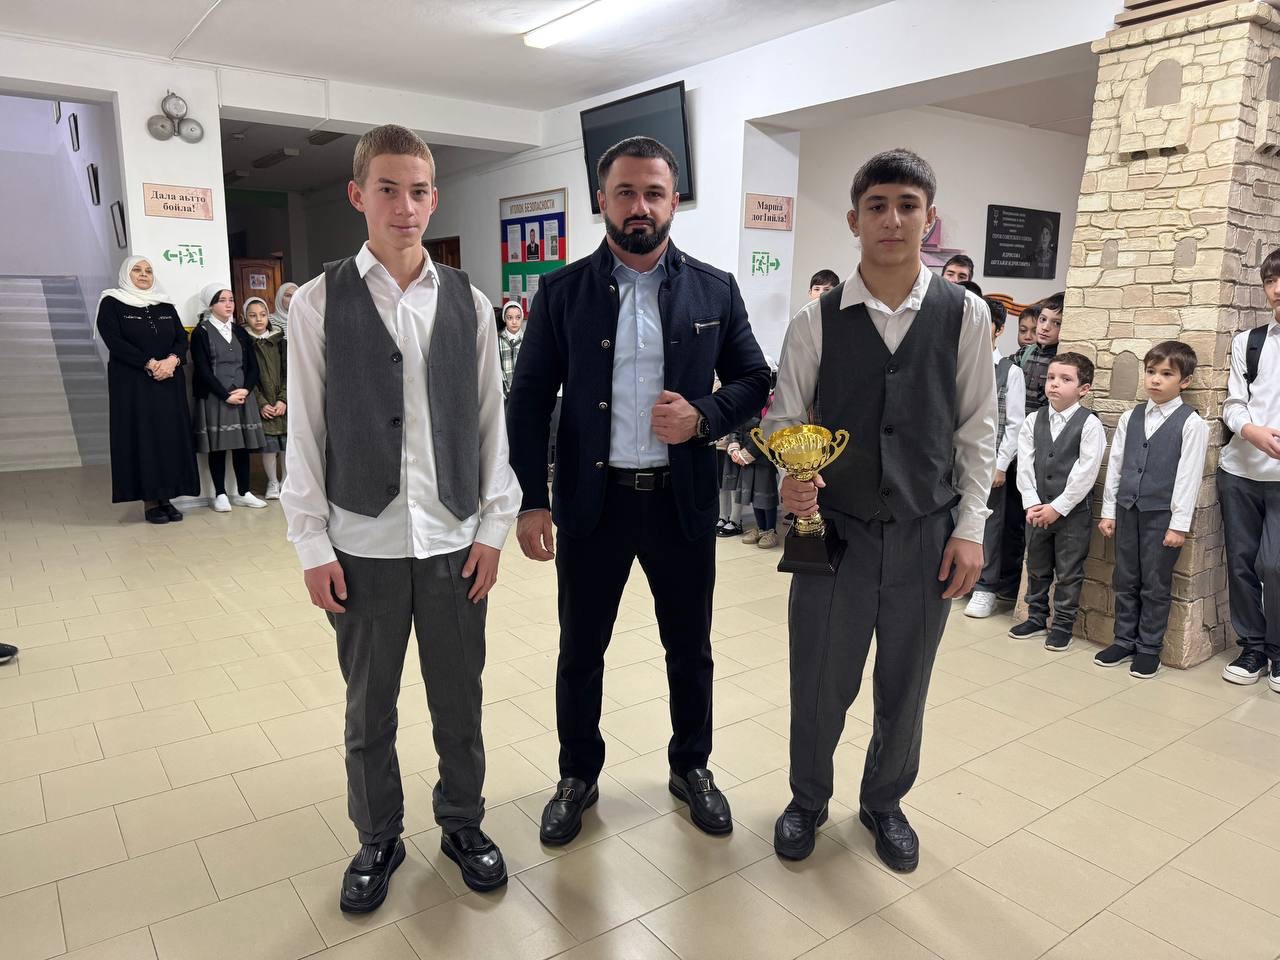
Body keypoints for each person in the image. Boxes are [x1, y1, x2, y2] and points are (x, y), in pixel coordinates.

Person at [507, 135, 770, 845]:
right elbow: (527, 400)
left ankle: (692, 767)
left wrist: (703, 416)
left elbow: (755, 379)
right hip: (592, 506)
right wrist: (532, 499)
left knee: (690, 648)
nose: (640, 206)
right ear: (602, 200)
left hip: (681, 502)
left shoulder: (714, 289)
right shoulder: (561, 293)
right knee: (579, 650)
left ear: (673, 201)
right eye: (625, 192)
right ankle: (577, 774)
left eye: (654, 193)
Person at [282, 124, 520, 909]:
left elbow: (489, 426)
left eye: (418, 191)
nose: (405, 206)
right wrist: (311, 544)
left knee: (460, 701)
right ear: (358, 195)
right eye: (388, 189)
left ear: (434, 198)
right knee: (368, 710)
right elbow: (305, 432)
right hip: (362, 542)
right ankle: (378, 835)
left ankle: (463, 822)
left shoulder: (470, 302)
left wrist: (492, 531)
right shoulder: (317, 302)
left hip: (454, 541)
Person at [764, 149, 995, 869]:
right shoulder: (815, 320)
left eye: (907, 205)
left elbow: (977, 430)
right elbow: (785, 420)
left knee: (906, 681)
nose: (892, 220)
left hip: (927, 532)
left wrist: (970, 528)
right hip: (835, 533)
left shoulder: (966, 315)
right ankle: (807, 799)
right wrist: (791, 477)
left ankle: (884, 802)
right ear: (854, 219)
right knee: (819, 680)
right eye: (877, 206)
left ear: (929, 218)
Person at [1096, 341, 1208, 678]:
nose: (1156, 379)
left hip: (1162, 516)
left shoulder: (1191, 423)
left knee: (1155, 583)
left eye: (1166, 374)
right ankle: (1123, 640)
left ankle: (1148, 649)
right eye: (1151, 371)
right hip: (1127, 509)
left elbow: (1189, 477)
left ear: (1184, 381)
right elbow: (1116, 466)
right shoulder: (1130, 417)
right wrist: (1109, 511)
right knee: (1125, 577)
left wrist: (1179, 525)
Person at [1009, 352, 1105, 650]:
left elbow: (1086, 472)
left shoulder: (1089, 424)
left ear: (1083, 389)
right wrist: (1032, 503)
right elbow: (1025, 465)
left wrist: (1057, 508)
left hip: (1072, 514)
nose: (1054, 384)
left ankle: (1063, 625)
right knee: (1036, 565)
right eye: (1051, 377)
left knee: (1068, 572)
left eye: (1065, 379)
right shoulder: (1033, 420)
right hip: (1036, 510)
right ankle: (1036, 617)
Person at [95, 255, 200, 523]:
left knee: (169, 437)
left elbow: (180, 338)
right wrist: (150, 364)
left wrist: (173, 360)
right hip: (134, 386)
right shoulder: (111, 302)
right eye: (137, 270)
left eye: (148, 270)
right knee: (143, 437)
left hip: (169, 382)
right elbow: (114, 341)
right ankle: (150, 501)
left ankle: (167, 497)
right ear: (126, 274)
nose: (144, 274)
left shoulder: (164, 304)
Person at [1219, 247, 1280, 692]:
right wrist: (1250, 431)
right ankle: (1253, 648)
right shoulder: (1249, 342)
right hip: (1240, 470)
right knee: (1240, 563)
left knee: (1274, 566)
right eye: (1270, 282)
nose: (1277, 290)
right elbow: (1233, 403)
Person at [965, 297, 1026, 618]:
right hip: (957, 459)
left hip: (990, 462)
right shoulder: (959, 362)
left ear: (999, 329)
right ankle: (959, 579)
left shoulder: (1010, 372)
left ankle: (985, 587)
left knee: (988, 523)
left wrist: (1002, 464)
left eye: (985, 321)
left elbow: (1015, 424)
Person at [190, 284, 268, 513]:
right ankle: (220, 494)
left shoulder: (240, 331)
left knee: (242, 445)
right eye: (222, 300)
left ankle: (244, 492)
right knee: (219, 446)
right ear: (211, 305)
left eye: (231, 300)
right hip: (216, 397)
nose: (228, 305)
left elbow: (252, 366)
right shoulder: (201, 332)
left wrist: (246, 390)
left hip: (242, 395)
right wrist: (225, 395)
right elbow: (202, 370)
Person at [726, 369, 780, 549]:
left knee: (765, 495)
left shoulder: (772, 401)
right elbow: (736, 424)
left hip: (763, 457)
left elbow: (767, 431)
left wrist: (748, 453)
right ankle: (761, 528)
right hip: (746, 457)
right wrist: (734, 446)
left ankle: (770, 531)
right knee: (754, 495)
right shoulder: (746, 400)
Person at [244, 296, 287, 499]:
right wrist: (261, 403)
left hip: (282, 403)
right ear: (245, 317)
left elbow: (290, 372)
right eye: (253, 315)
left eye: (262, 315)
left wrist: (284, 399)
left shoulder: (280, 341)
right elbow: (246, 377)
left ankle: (287, 481)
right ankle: (272, 482)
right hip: (262, 403)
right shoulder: (244, 343)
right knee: (269, 447)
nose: (258, 319)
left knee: (287, 446)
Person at [1017, 292, 1063, 412]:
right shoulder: (1024, 353)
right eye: (1043, 319)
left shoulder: (1062, 360)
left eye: (1057, 323)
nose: (1045, 327)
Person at [497, 301, 524, 399]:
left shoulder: (527, 340)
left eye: (518, 317)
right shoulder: (497, 340)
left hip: (522, 392)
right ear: (504, 319)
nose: (514, 322)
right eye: (510, 318)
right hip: (503, 393)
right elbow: (496, 367)